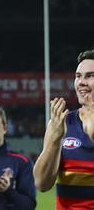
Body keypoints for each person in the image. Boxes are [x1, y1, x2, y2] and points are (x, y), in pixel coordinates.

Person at [33, 49, 94, 209]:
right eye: (78, 76)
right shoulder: (63, 122)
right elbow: (41, 183)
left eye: (90, 76)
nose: (81, 82)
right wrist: (55, 139)